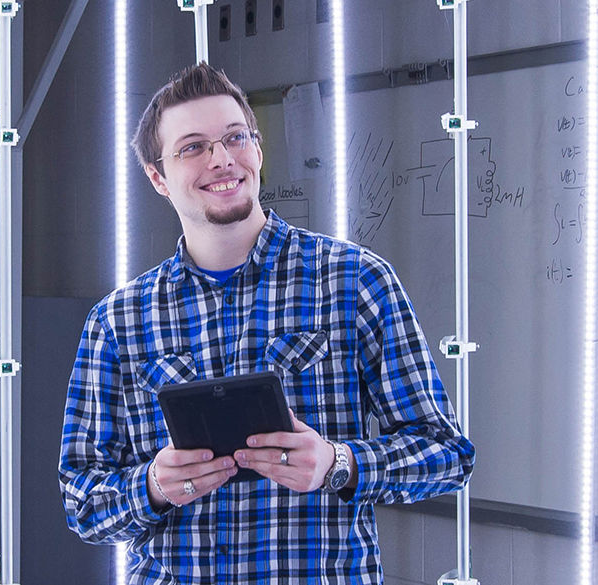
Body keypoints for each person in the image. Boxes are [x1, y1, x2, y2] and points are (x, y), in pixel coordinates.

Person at [59, 62, 475, 584]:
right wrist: (152, 486)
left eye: (236, 138)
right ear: (158, 177)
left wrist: (338, 463)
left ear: (257, 150)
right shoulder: (118, 321)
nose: (221, 158)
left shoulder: (354, 281)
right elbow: (82, 500)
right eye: (192, 147)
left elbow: (447, 454)